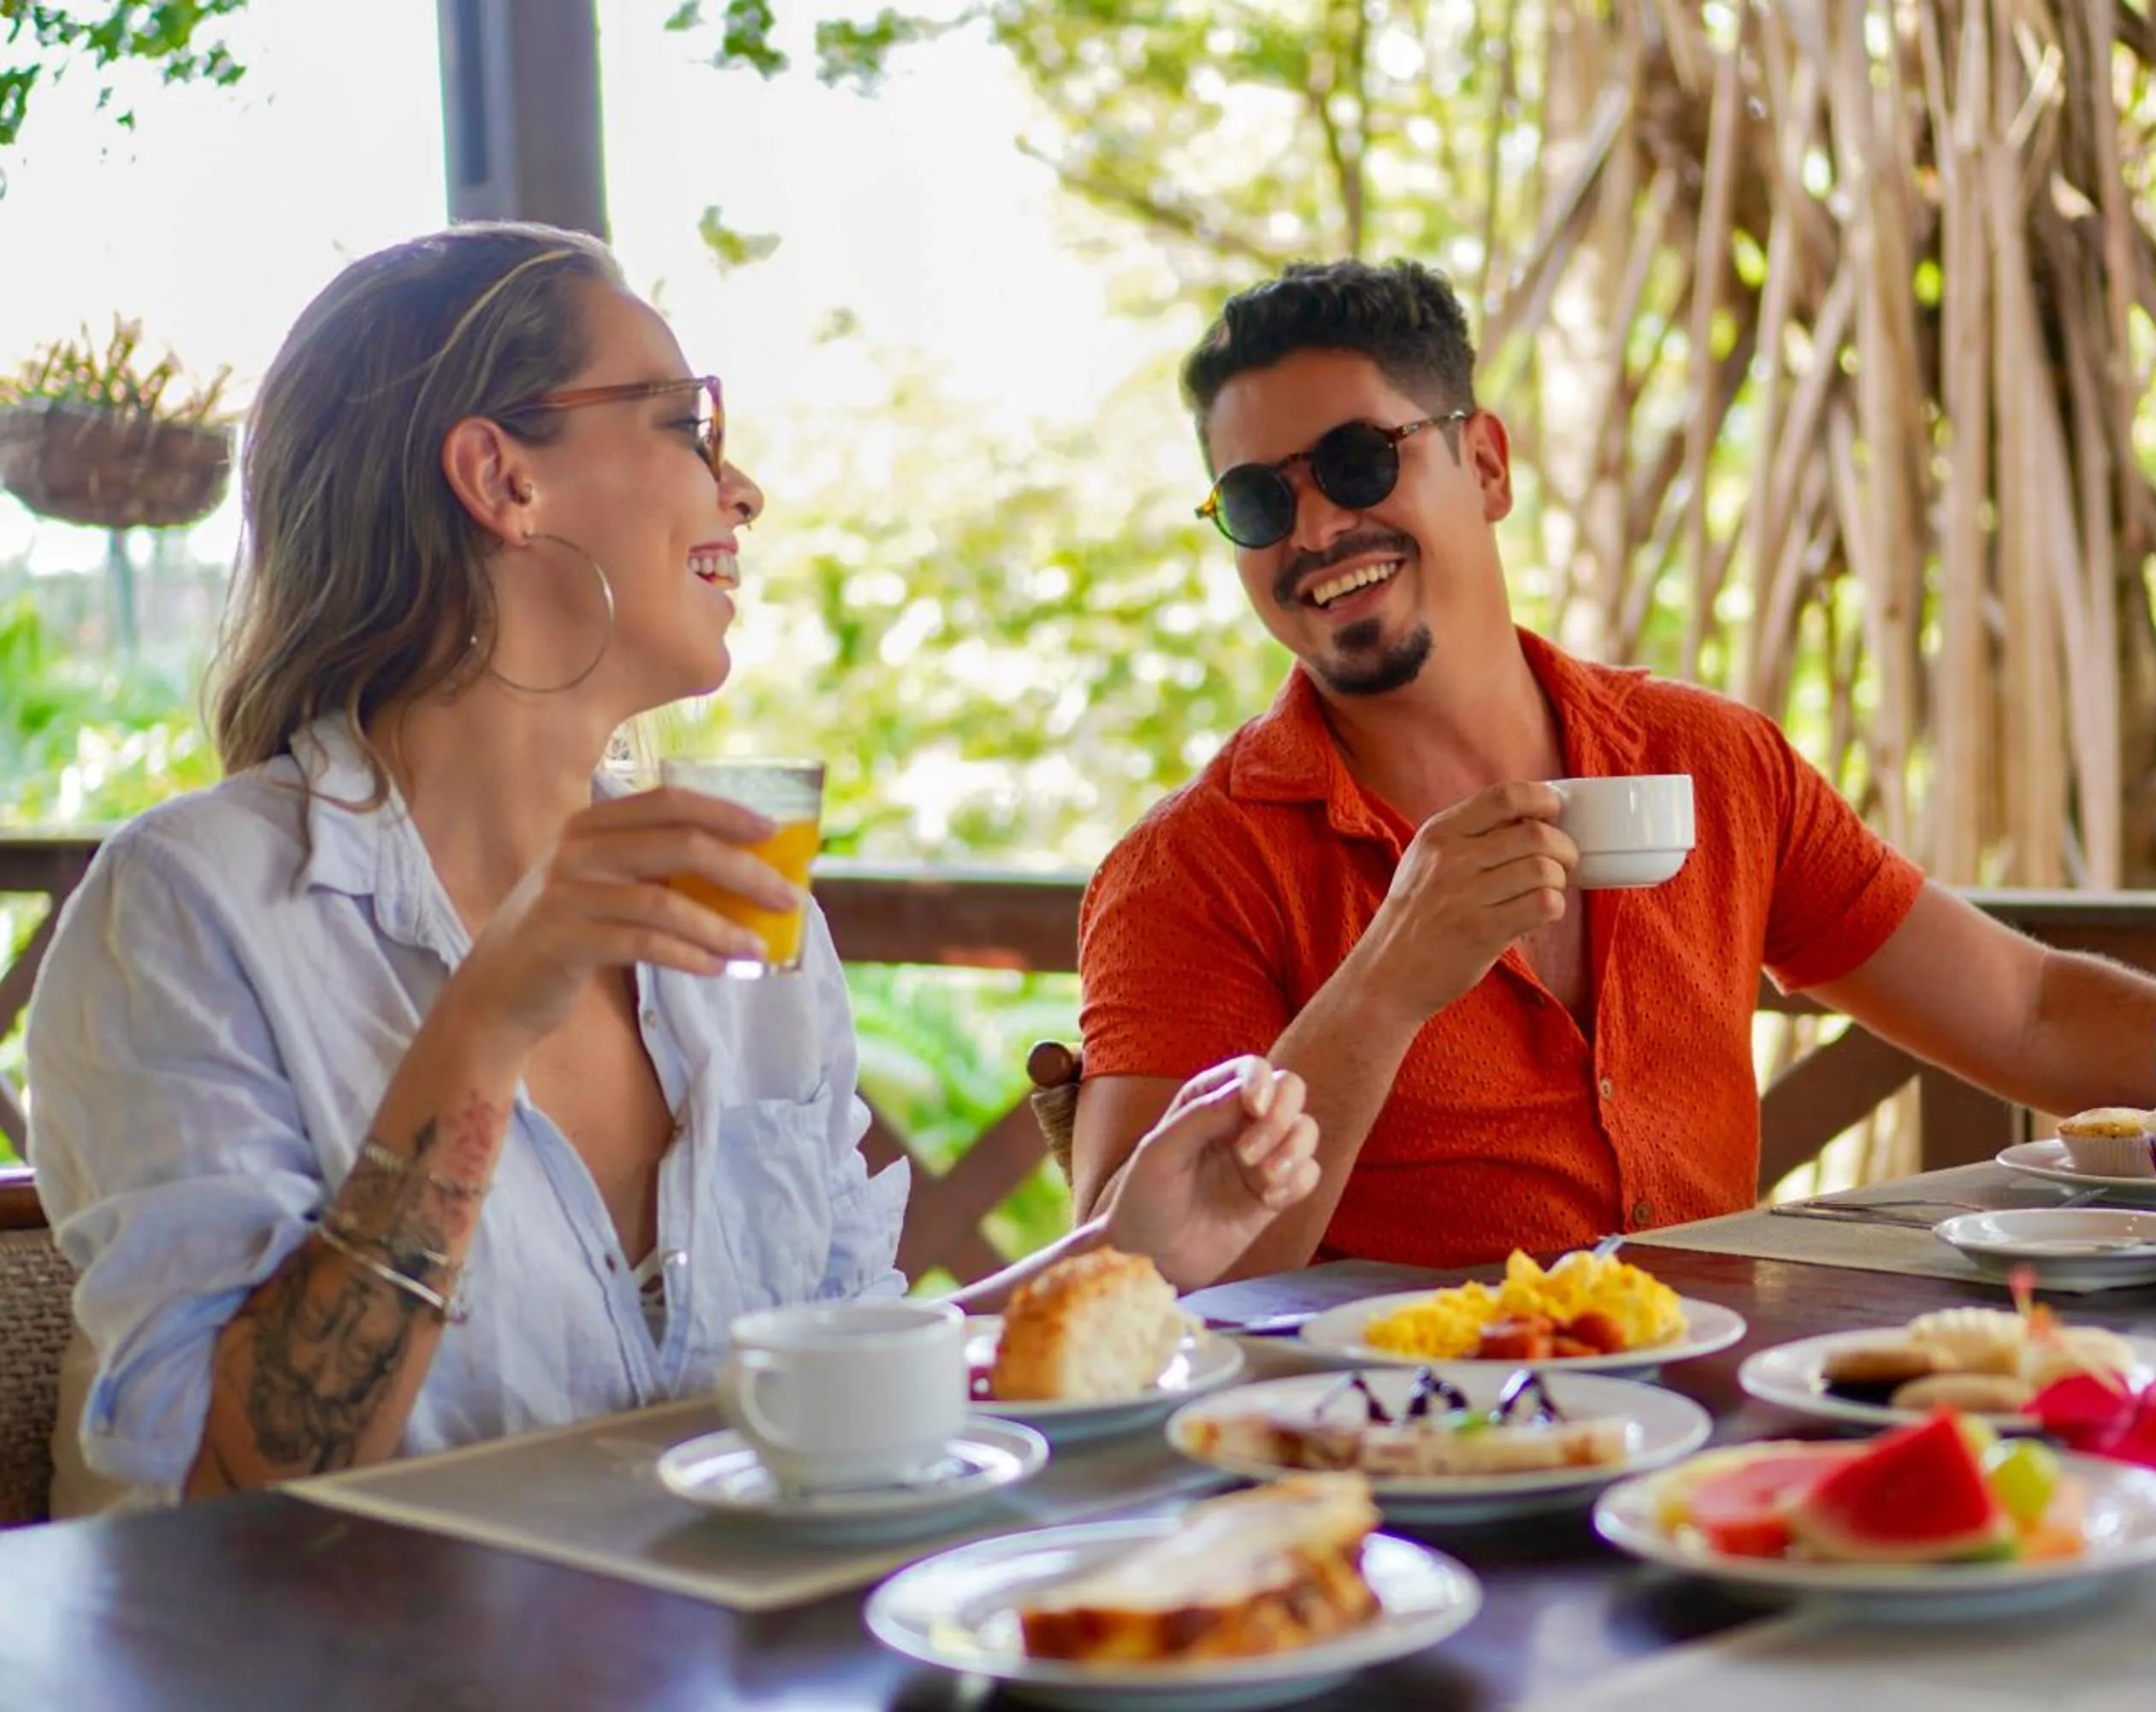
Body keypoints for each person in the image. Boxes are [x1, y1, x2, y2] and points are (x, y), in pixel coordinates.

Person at [23, 222, 1322, 1514]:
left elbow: (825, 1386)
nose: (740, 486)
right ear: (500, 477)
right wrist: (485, 1021)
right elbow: (244, 1482)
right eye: (686, 424)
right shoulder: (191, 914)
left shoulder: (749, 920)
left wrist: (1117, 1253)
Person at [1068, 257, 2156, 1276]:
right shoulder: (1191, 868)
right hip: (1377, 1495)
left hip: (1711, 1440)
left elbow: (2034, 1013)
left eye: (1357, 462)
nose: (1317, 529)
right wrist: (1387, 981)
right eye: (1259, 500)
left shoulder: (1706, 764)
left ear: (1490, 464)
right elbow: (1142, 1276)